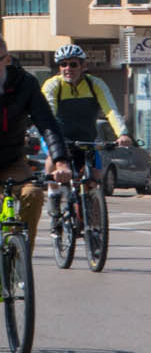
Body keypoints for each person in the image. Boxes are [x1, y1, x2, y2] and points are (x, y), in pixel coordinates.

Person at [0, 34, 72, 246]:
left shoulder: (25, 84)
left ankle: (20, 254)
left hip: (12, 160)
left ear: (7, 59)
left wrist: (61, 162)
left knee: (33, 194)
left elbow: (47, 124)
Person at [41, 44, 130, 179]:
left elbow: (111, 110)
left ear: (83, 66)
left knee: (96, 176)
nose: (68, 68)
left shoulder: (96, 84)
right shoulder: (52, 85)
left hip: (87, 139)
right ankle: (52, 190)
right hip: (58, 137)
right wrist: (53, 139)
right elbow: (49, 114)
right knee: (53, 161)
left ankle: (91, 192)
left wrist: (122, 134)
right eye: (63, 64)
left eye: (73, 64)